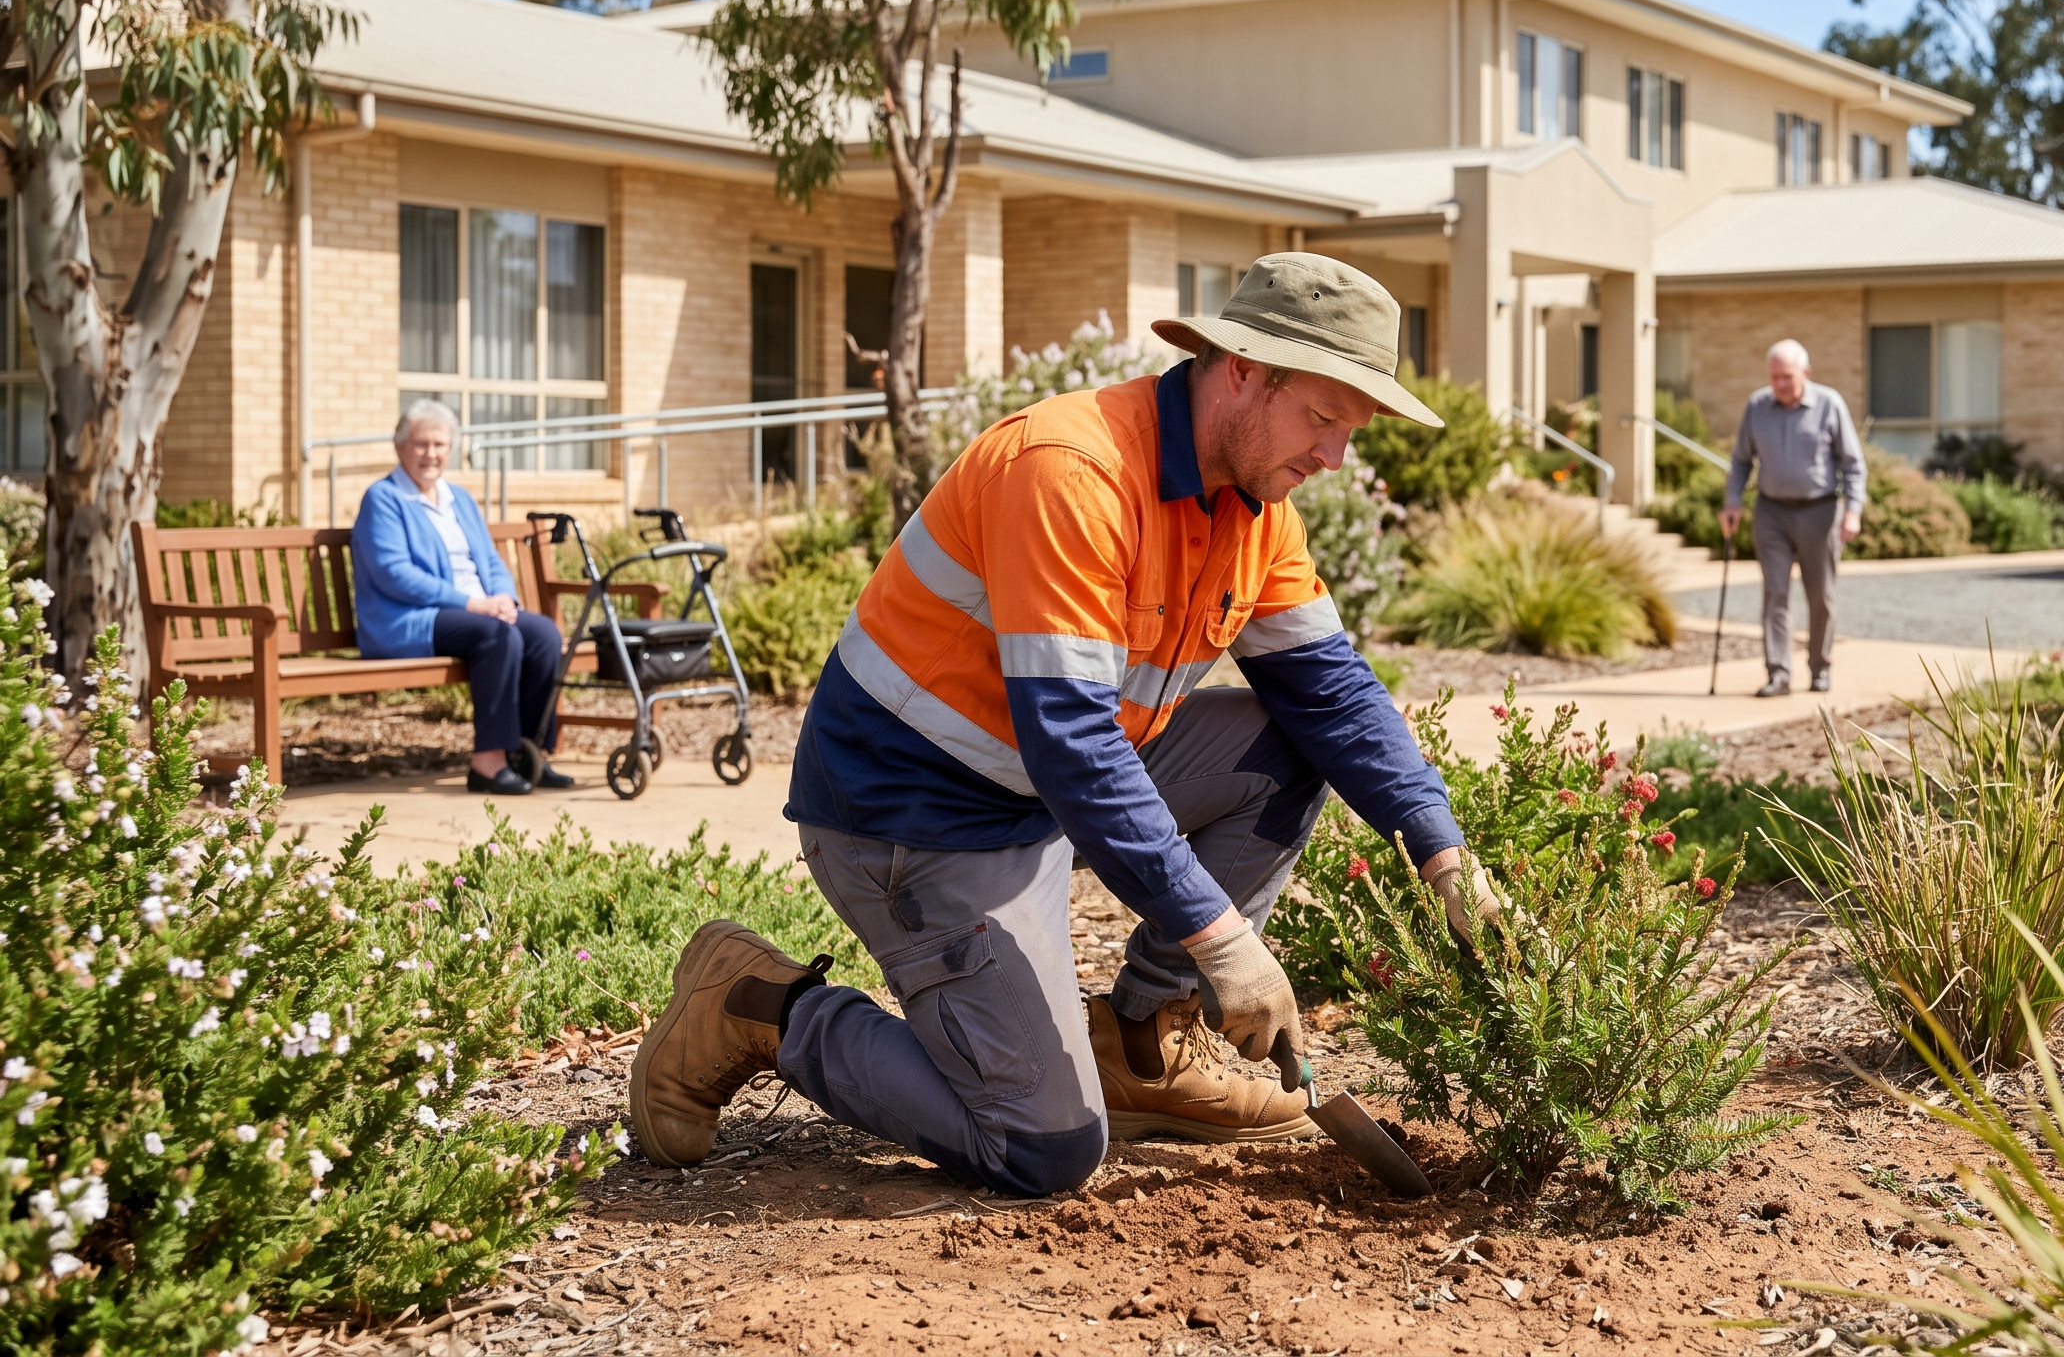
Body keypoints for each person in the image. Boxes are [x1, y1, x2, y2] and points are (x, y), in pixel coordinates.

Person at [624, 253, 1502, 1197]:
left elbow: (1330, 691)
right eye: (1323, 419)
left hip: (1042, 789)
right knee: (1042, 1150)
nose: (1334, 456)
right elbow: (1074, 743)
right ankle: (761, 1006)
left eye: (1350, 430)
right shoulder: (1073, 471)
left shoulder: (1254, 503)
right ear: (1244, 370)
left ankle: (1141, 1044)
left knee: (1286, 747)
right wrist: (1219, 938)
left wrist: (1443, 853)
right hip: (913, 814)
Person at [349, 400, 570, 796]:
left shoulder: (459, 499)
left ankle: (528, 753)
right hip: (409, 619)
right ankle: (488, 762)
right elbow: (394, 574)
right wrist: (472, 604)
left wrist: (503, 596)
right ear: (399, 448)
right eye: (420, 444)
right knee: (498, 636)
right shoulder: (383, 499)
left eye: (439, 445)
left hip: (473, 613)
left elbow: (489, 558)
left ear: (450, 449)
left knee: (543, 636)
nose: (430, 454)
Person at [1718, 340, 1866, 698]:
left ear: (1805, 373)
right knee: (1775, 594)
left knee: (1821, 596)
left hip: (1820, 511)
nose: (1780, 384)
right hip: (1772, 512)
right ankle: (1778, 673)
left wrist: (1853, 509)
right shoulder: (1757, 406)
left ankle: (1820, 668)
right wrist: (1733, 501)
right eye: (1774, 377)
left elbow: (1852, 463)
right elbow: (1740, 461)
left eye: (1787, 376)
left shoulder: (1829, 404)